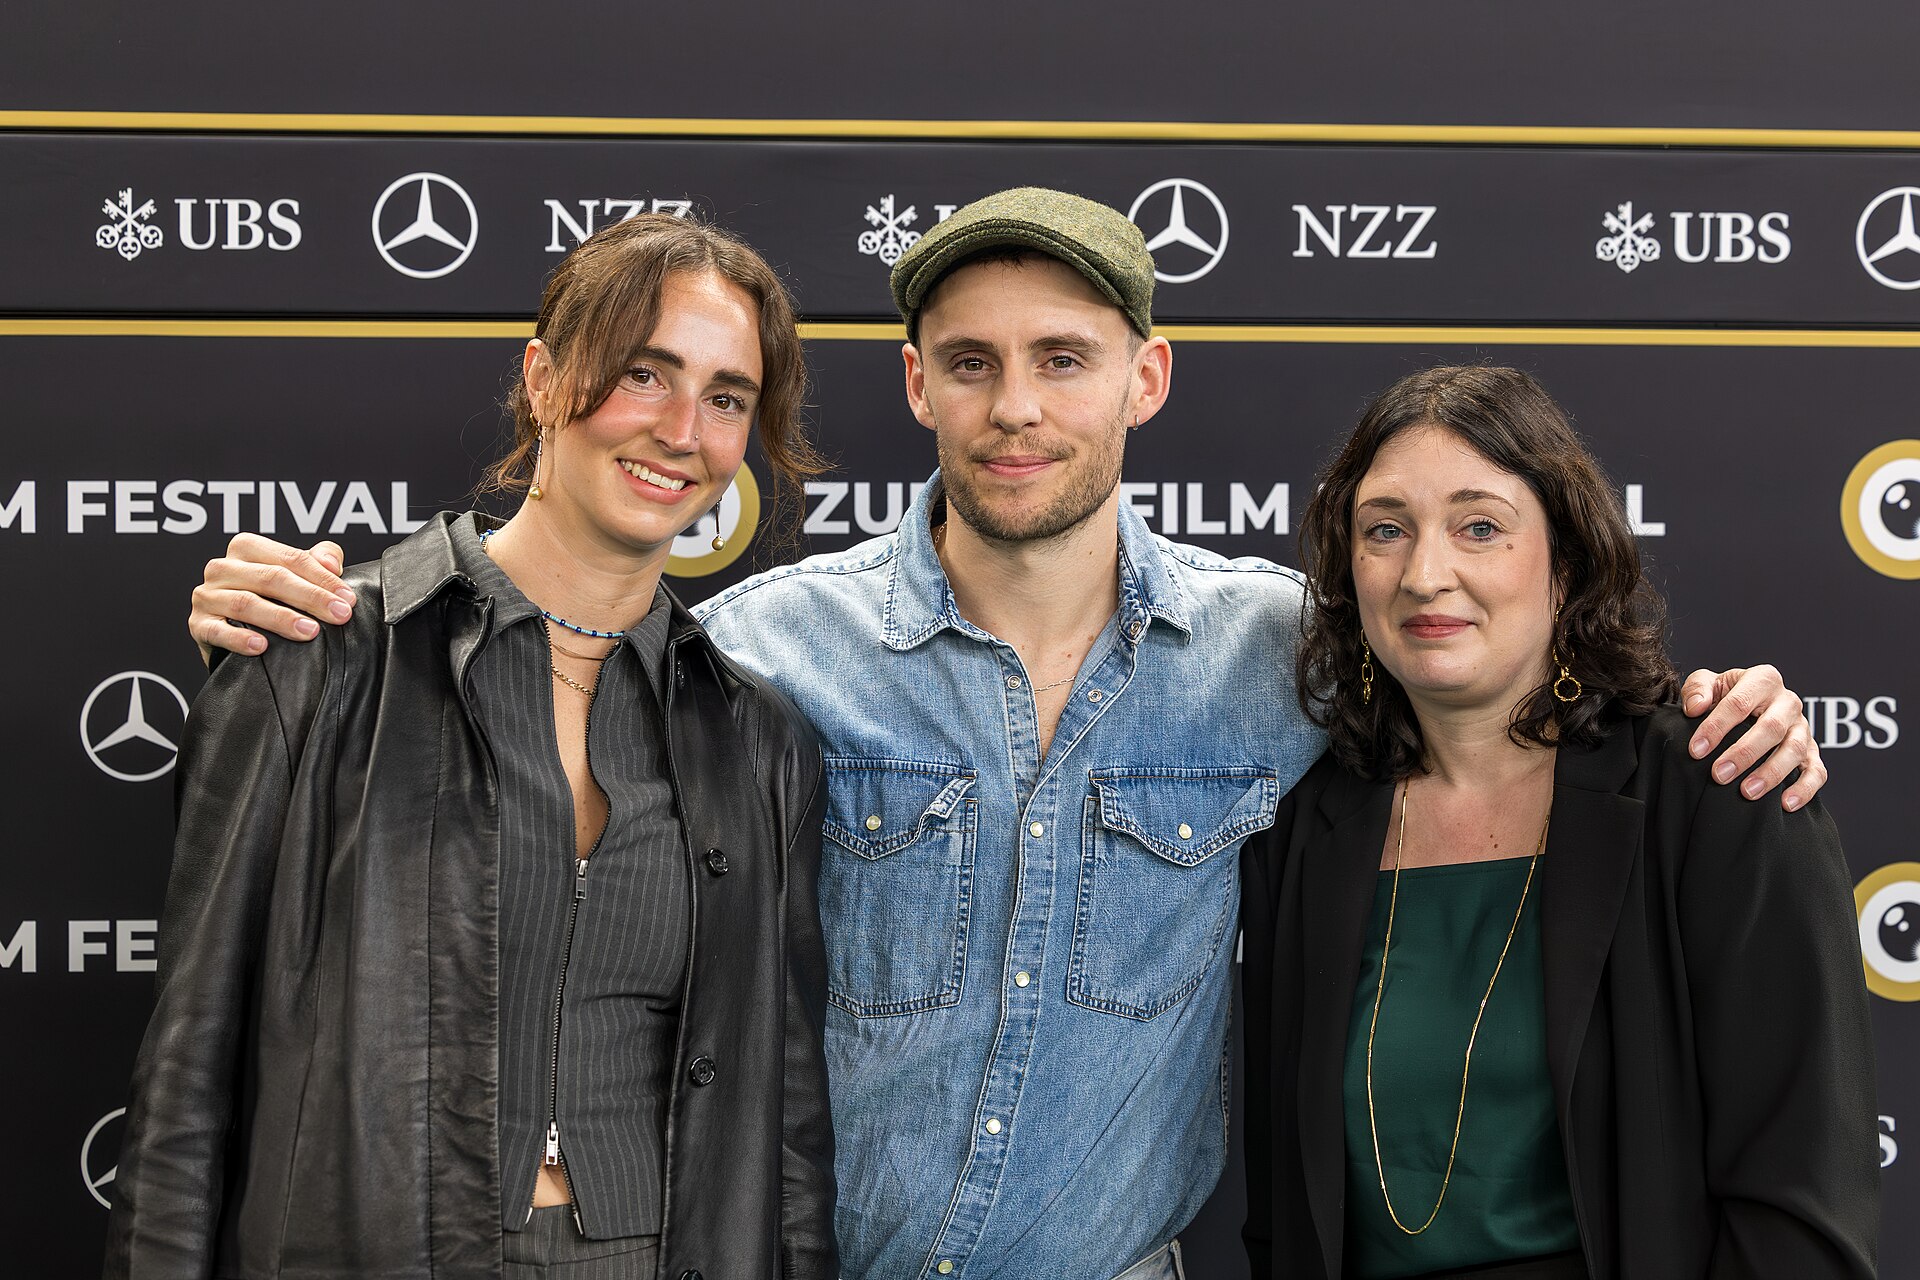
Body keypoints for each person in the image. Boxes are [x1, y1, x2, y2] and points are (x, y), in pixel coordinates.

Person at [184, 190, 1825, 1280]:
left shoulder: (1290, 653)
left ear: (1149, 379)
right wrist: (320, 606)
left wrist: (1711, 715)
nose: (1016, 407)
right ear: (914, 388)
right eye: (970, 366)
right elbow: (512, 751)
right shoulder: (758, 653)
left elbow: (1507, 679)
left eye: (1063, 361)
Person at [106, 214, 839, 1280]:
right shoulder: (317, 658)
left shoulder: (756, 739)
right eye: (646, 373)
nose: (684, 429)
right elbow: (183, 1087)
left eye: (727, 397)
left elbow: (787, 1128)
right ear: (544, 380)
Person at [1240, 366, 1878, 1280]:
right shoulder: (1303, 825)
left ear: (1566, 561)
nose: (1426, 573)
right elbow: (1284, 1219)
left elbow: (1799, 1212)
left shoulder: (1717, 784)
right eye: (1386, 530)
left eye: (1480, 527)